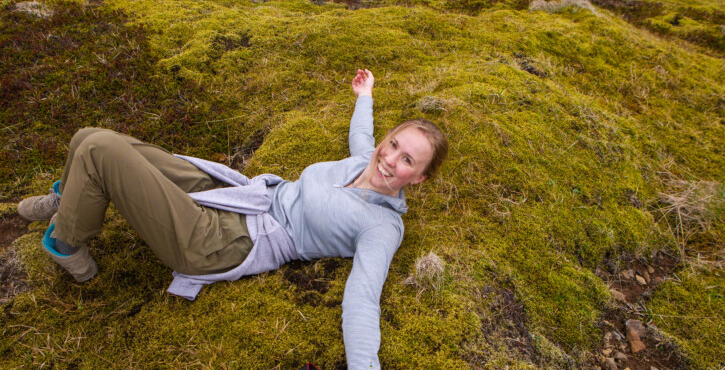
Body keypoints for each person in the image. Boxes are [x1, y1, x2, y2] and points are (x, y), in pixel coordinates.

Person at [17, 69, 448, 369]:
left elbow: (362, 300)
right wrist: (365, 95)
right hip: (241, 196)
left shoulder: (382, 227)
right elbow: (362, 136)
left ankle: (67, 243)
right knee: (86, 137)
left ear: (421, 178)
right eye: (393, 144)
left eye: (408, 160)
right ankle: (72, 200)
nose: (389, 159)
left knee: (100, 150)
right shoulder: (362, 161)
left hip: (226, 241)